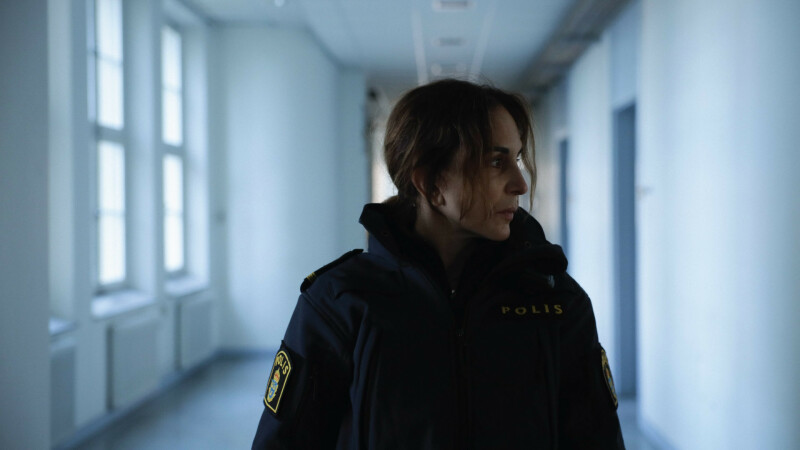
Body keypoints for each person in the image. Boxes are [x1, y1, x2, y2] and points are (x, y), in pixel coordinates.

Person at [252, 79, 625, 449]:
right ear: (430, 183)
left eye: (516, 159)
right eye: (496, 162)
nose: (520, 184)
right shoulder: (340, 303)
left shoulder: (555, 301)